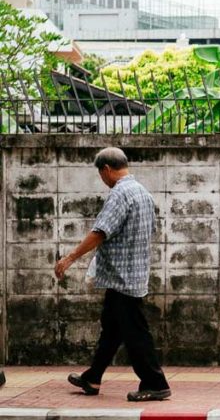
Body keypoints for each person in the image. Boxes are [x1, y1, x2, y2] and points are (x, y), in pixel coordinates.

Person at [54, 147, 171, 402]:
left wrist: (71, 257)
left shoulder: (120, 194)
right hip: (134, 273)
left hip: (121, 277)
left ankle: (155, 383)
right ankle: (93, 377)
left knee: (135, 332)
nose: (102, 179)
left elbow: (100, 231)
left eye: (101, 174)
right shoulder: (142, 193)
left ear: (106, 169)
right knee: (112, 328)